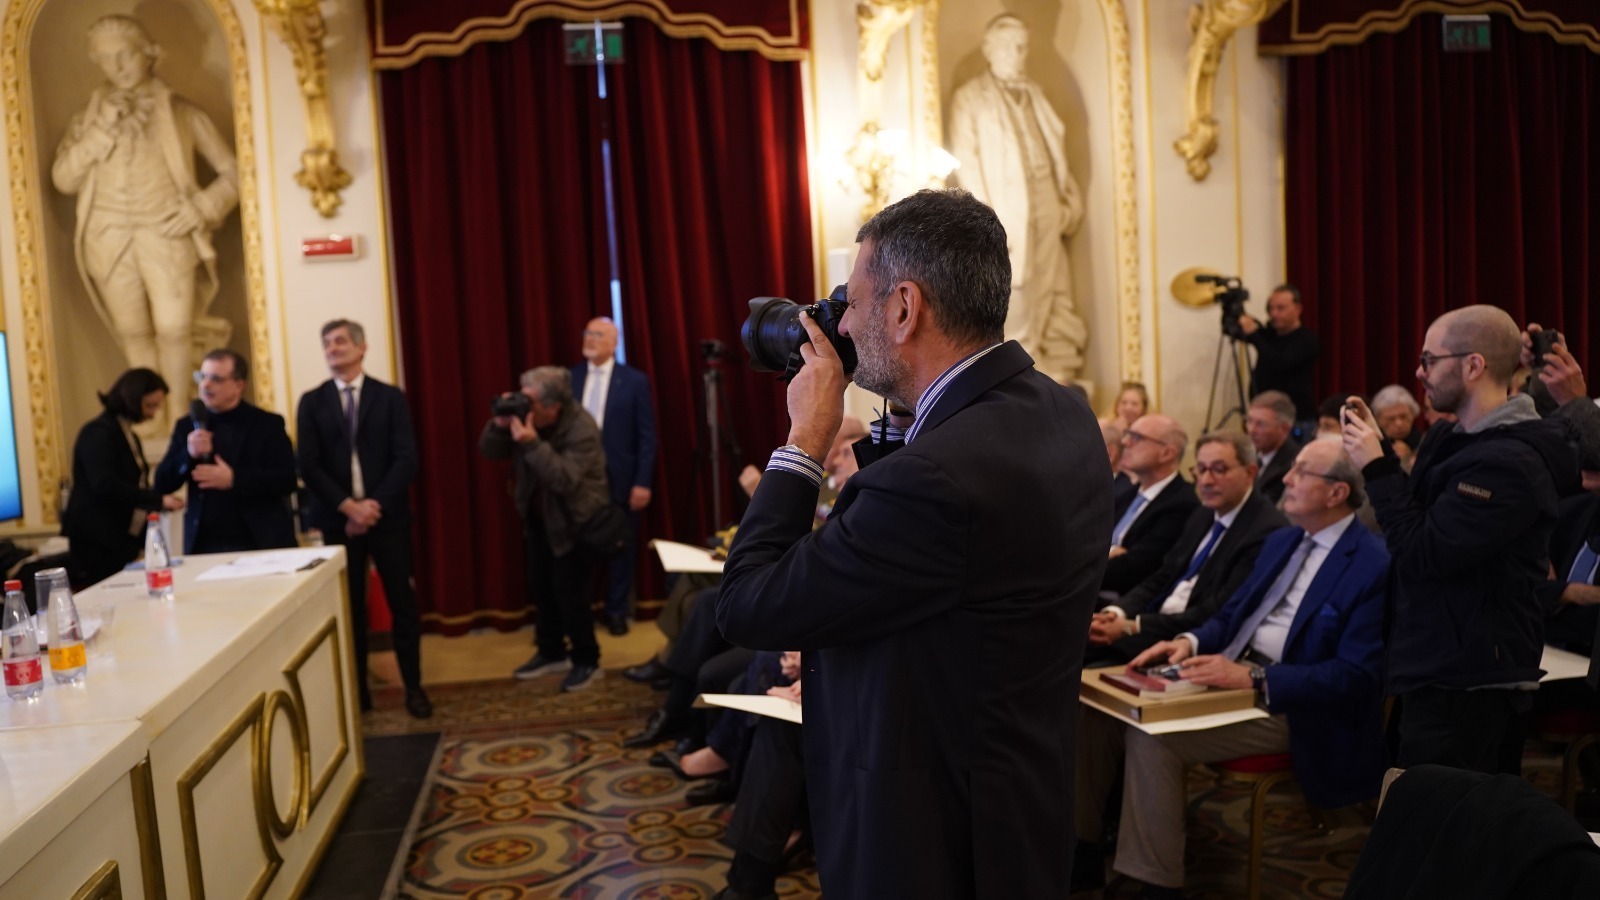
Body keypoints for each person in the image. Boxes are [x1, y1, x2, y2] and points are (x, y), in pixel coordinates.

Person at [716, 188, 1112, 898]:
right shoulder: (1059, 409)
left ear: (904, 307)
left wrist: (805, 440)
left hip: (928, 832)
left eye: (853, 301)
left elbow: (749, 604)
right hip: (1020, 793)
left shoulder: (934, 479)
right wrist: (904, 408)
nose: (843, 321)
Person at [1076, 439, 1389, 897]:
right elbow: (1230, 617)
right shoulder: (1284, 540)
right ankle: (1082, 852)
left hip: (1294, 704)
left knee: (1152, 737)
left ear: (1337, 493)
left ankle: (1153, 883)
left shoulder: (1372, 563)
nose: (1285, 478)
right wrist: (1186, 642)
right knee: (1096, 711)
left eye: (1301, 472)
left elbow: (1356, 676)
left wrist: (1256, 678)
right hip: (1233, 674)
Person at [1342, 305, 1579, 772]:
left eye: (1429, 360)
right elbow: (1412, 518)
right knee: (1416, 799)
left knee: (1447, 810)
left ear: (1473, 365)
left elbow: (1422, 552)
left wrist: (1376, 466)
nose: (1419, 372)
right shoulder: (1449, 438)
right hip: (1434, 658)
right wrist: (1380, 449)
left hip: (1473, 676)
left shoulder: (1510, 461)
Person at [51, 15, 239, 428]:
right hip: (108, 237)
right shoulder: (89, 120)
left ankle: (179, 417)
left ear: (150, 55)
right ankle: (149, 419)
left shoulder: (182, 113)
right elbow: (64, 179)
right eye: (106, 59)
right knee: (133, 332)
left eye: (125, 55)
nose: (116, 67)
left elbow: (234, 173)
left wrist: (201, 207)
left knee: (174, 328)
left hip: (166, 232)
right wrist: (100, 130)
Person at [296, 319, 431, 719]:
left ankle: (414, 688)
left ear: (361, 347)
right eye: (327, 343)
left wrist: (371, 506)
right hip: (338, 521)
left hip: (387, 518)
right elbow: (309, 464)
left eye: (340, 341)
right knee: (349, 608)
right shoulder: (312, 401)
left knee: (402, 605)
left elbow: (406, 458)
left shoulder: (389, 397)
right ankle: (358, 696)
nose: (332, 349)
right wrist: (348, 507)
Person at [948, 14, 1087, 384]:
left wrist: (1064, 197)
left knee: (1049, 280)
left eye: (1022, 47)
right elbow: (968, 164)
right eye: (1008, 46)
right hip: (1006, 206)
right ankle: (1019, 366)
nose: (1017, 54)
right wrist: (988, 219)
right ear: (989, 49)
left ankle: (1049, 358)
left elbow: (1054, 147)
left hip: (1045, 198)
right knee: (1017, 283)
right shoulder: (970, 98)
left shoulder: (1035, 93)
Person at [1090, 432, 1287, 663]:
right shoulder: (1203, 513)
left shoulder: (1266, 530)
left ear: (1250, 472)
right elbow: (1163, 577)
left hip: (1188, 640)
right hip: (1153, 622)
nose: (1206, 480)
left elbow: (1216, 609)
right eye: (1201, 469)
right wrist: (1116, 613)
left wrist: (1133, 626)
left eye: (1219, 469)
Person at [481, 366, 612, 692]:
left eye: (531, 402)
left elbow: (564, 479)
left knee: (571, 595)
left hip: (575, 521)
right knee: (541, 587)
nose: (523, 406)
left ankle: (587, 660)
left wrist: (532, 443)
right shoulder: (528, 419)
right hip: (539, 518)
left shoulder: (582, 427)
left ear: (553, 407)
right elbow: (490, 451)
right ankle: (551, 651)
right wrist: (499, 426)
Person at [153, 349, 295, 554]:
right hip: (205, 543)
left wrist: (234, 479)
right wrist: (188, 454)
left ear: (239, 385)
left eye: (216, 379)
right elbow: (162, 482)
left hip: (259, 539)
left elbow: (287, 479)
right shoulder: (187, 425)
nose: (205, 385)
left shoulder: (267, 424)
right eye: (202, 377)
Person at [571, 317, 658, 636]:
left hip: (621, 479)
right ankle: (580, 612)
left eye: (598, 334)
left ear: (614, 342)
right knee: (577, 549)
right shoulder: (570, 378)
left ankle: (616, 610)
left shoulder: (633, 381)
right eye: (587, 333)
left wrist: (642, 482)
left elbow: (646, 437)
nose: (590, 339)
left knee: (621, 547)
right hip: (578, 481)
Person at [63, 368, 184, 586]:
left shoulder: (129, 435)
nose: (152, 414)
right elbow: (105, 485)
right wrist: (158, 500)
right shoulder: (97, 433)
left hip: (121, 540)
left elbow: (134, 483)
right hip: (97, 541)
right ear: (132, 398)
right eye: (150, 406)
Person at [1102, 415, 1196, 597]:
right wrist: (1111, 552)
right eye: (1127, 434)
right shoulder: (1129, 493)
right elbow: (1091, 540)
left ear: (1167, 453)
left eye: (1136, 437)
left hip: (1122, 599)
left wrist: (1085, 566)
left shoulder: (1182, 503)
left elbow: (1135, 569)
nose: (1125, 442)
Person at [1237, 284, 1318, 423]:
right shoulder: (1269, 335)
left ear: (1298, 309)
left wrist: (1254, 335)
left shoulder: (1306, 339)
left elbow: (1280, 363)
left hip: (1296, 419)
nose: (1274, 314)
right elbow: (1235, 332)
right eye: (1271, 309)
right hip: (1264, 417)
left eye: (1280, 308)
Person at [1246, 390, 1301, 504]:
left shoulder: (1293, 465)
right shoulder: (1246, 457)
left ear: (1285, 429)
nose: (1252, 430)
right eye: (1249, 421)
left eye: (1261, 424)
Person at [1370, 384, 1424, 468]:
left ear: (1413, 414)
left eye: (1403, 416)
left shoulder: (1427, 441)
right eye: (1390, 419)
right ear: (1377, 420)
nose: (1399, 423)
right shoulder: (1370, 446)